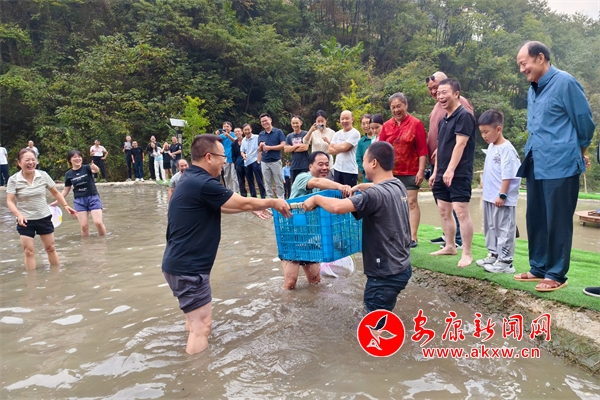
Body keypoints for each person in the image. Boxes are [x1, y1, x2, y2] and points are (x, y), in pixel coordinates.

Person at [161, 134, 291, 354]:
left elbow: (220, 205)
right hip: (189, 268)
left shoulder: (189, 179)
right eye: (223, 156)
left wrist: (251, 208)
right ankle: (196, 372)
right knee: (202, 327)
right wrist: (273, 201)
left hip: (177, 264)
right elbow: (242, 200)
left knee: (194, 322)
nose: (225, 161)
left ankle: (188, 359)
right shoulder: (203, 183)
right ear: (209, 157)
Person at [513, 41, 595, 292]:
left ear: (540, 58)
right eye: (519, 65)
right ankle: (538, 267)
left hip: (561, 163)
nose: (522, 69)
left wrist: (579, 151)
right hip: (536, 160)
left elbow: (584, 122)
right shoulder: (533, 89)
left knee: (558, 219)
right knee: (536, 216)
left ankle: (556, 274)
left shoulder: (565, 83)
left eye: (524, 63)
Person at [302, 142, 411, 314]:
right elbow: (378, 187)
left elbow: (337, 207)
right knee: (384, 315)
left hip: (384, 275)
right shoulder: (398, 185)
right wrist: (360, 186)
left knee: (373, 322)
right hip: (401, 267)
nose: (362, 165)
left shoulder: (374, 195)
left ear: (374, 163)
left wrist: (316, 199)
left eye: (364, 161)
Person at [281, 151, 352, 290]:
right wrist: (340, 186)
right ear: (310, 166)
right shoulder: (302, 177)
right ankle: (284, 304)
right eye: (320, 164)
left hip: (311, 238)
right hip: (291, 237)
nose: (325, 167)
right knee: (290, 283)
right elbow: (317, 181)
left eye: (327, 164)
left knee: (315, 282)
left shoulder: (325, 189)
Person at [427, 78, 476, 268]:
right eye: (438, 93)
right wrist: (436, 172)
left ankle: (467, 253)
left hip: (459, 172)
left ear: (456, 94)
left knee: (461, 212)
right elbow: (441, 149)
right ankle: (450, 246)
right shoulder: (443, 120)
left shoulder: (464, 116)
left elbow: (460, 144)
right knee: (443, 210)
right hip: (442, 172)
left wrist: (451, 169)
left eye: (444, 92)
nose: (440, 96)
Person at [6, 148, 77, 270]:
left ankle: (56, 275)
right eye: (27, 160)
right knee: (29, 251)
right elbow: (10, 201)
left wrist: (65, 205)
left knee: (50, 248)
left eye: (33, 160)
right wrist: (18, 214)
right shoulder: (13, 179)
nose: (31, 162)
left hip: (44, 217)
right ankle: (31, 279)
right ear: (19, 163)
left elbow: (55, 193)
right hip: (25, 220)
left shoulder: (43, 175)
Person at [379, 93, 428, 248]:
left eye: (399, 106)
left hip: (411, 170)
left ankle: (412, 237)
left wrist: (421, 171)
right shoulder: (386, 126)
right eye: (393, 107)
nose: (396, 110)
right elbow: (380, 148)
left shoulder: (416, 124)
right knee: (392, 204)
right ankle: (395, 234)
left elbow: (422, 150)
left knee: (411, 203)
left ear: (406, 105)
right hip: (390, 172)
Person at [475, 110, 521, 274]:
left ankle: (506, 261)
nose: (484, 136)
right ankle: (494, 254)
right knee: (490, 227)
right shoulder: (491, 146)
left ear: (498, 129)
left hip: (502, 198)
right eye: (482, 132)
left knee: (504, 229)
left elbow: (508, 174)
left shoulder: (506, 149)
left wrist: (502, 195)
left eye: (486, 132)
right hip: (489, 197)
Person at [54, 150, 107, 236]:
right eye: (74, 157)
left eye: (79, 157)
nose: (77, 159)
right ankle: (86, 243)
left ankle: (103, 241)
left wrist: (95, 167)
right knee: (84, 226)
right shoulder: (68, 174)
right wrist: (57, 201)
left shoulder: (87, 168)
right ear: (70, 160)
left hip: (93, 197)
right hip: (79, 200)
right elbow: (66, 190)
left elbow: (96, 170)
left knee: (98, 222)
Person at [329, 110, 360, 186]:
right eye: (342, 119)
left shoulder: (355, 133)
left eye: (347, 118)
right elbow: (330, 150)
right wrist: (344, 148)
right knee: (337, 191)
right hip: (337, 169)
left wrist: (335, 146)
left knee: (349, 192)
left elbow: (344, 147)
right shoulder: (337, 134)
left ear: (352, 119)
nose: (344, 121)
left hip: (350, 170)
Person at [258, 113, 286, 199]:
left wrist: (270, 148)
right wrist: (261, 146)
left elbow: (283, 145)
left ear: (270, 120)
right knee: (267, 183)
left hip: (275, 161)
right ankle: (270, 201)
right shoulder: (261, 134)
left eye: (265, 120)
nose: (264, 123)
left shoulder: (278, 132)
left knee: (279, 182)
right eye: (262, 122)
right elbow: (259, 149)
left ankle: (281, 200)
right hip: (264, 161)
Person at [240, 123, 266, 198]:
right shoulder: (243, 140)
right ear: (243, 131)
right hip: (247, 162)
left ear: (251, 129)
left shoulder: (257, 137)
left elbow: (261, 148)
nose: (247, 131)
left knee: (259, 180)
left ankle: (263, 196)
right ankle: (253, 196)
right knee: (250, 181)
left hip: (255, 160)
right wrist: (243, 155)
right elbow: (242, 151)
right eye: (245, 130)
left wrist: (258, 160)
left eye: (248, 129)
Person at [284, 115, 310, 184]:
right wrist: (298, 145)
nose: (295, 125)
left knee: (305, 185)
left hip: (304, 165)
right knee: (295, 186)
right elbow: (286, 149)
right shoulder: (289, 136)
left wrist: (291, 148)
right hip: (294, 166)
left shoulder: (305, 134)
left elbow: (305, 147)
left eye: (297, 123)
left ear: (301, 123)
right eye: (293, 123)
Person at [356, 114, 379, 183]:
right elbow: (358, 158)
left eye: (368, 123)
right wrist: (365, 170)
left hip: (379, 174)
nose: (366, 126)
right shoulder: (361, 142)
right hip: (367, 176)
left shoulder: (379, 138)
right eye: (363, 124)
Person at [217, 122, 239, 192]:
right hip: (225, 158)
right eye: (224, 126)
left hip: (233, 157)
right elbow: (216, 143)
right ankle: (229, 190)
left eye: (227, 126)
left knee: (234, 176)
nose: (226, 128)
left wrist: (227, 135)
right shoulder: (221, 136)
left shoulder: (234, 134)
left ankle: (236, 191)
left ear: (231, 128)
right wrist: (216, 135)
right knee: (226, 176)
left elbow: (235, 141)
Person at [232, 127, 247, 197]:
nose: (237, 133)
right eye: (235, 132)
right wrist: (235, 163)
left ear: (242, 132)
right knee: (240, 180)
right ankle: (243, 195)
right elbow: (233, 155)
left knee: (250, 179)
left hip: (247, 163)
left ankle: (253, 195)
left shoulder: (246, 141)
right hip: (238, 164)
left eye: (238, 131)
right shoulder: (234, 143)